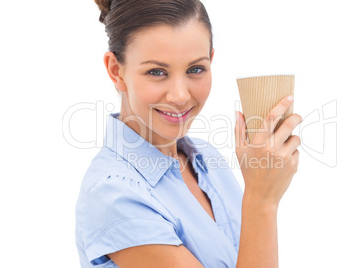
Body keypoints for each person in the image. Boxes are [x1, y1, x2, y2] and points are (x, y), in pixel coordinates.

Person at [75, 0, 303, 267]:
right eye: (157, 72)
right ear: (116, 71)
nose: (181, 96)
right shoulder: (114, 195)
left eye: (195, 69)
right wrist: (262, 199)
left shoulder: (207, 158)